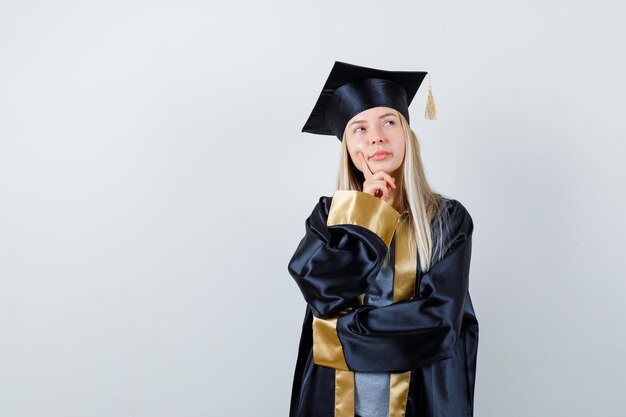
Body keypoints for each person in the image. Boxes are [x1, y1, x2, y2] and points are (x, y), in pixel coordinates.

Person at [288, 61, 478, 417]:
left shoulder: (447, 220)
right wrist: (366, 217)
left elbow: (439, 324)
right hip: (332, 401)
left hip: (422, 400)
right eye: (359, 128)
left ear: (406, 133)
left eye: (388, 122)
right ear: (347, 147)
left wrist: (340, 334)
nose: (376, 136)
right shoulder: (328, 217)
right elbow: (322, 292)